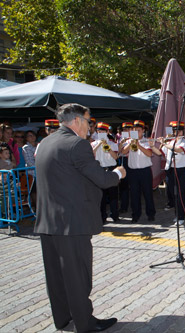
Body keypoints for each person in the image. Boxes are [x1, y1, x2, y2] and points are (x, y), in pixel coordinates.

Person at [34, 103, 125, 332]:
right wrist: (117, 173)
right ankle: (85, 323)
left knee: (56, 277)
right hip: (72, 223)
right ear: (76, 121)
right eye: (88, 121)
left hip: (48, 221)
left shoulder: (45, 142)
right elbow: (102, 180)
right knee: (78, 276)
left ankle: (63, 319)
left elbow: (66, 177)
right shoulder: (77, 144)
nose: (90, 127)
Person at [122, 120, 156, 223]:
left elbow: (149, 154)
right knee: (134, 194)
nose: (137, 132)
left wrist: (138, 145)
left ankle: (150, 214)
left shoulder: (147, 141)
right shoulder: (129, 141)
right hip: (133, 171)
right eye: (135, 130)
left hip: (145, 171)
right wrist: (131, 143)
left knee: (148, 193)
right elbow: (123, 152)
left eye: (139, 130)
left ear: (143, 131)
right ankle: (135, 215)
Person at [160, 121, 185, 227]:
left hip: (181, 170)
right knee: (172, 193)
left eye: (179, 130)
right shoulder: (170, 142)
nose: (177, 133)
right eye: (175, 131)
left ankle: (181, 216)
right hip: (170, 170)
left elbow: (178, 149)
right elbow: (161, 153)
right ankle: (177, 214)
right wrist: (155, 145)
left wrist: (165, 143)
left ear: (182, 131)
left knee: (181, 195)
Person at [91, 122, 120, 224]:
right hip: (99, 169)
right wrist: (99, 144)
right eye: (99, 131)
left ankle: (115, 215)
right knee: (101, 195)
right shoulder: (93, 144)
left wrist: (106, 146)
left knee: (113, 194)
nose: (101, 132)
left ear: (107, 132)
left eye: (103, 131)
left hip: (111, 168)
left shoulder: (112, 144)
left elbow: (116, 157)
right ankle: (102, 216)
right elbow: (91, 155)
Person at [118, 122, 133, 213]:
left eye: (128, 129)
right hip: (125, 162)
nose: (126, 131)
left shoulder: (134, 139)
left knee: (134, 186)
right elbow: (119, 152)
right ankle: (124, 206)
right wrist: (121, 143)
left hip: (134, 162)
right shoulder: (121, 139)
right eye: (124, 129)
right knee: (124, 186)